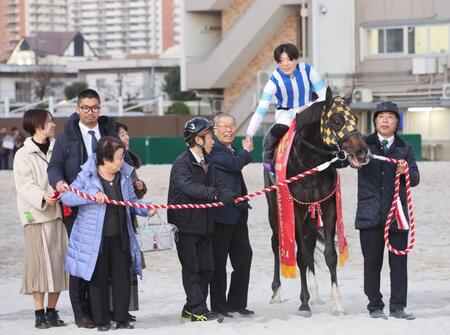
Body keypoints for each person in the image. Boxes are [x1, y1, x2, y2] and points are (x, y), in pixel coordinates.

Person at [48, 89, 128, 328]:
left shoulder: (108, 132)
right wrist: (59, 182)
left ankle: (107, 312)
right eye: (85, 107)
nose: (90, 112)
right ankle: (82, 312)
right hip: (79, 208)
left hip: (110, 206)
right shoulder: (66, 137)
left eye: (94, 107)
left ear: (99, 109)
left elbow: (124, 160)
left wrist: (135, 182)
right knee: (82, 260)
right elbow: (54, 166)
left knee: (110, 261)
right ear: (77, 109)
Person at [61, 136, 154, 331]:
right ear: (105, 159)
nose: (122, 161)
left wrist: (146, 208)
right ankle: (102, 321)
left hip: (121, 235)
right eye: (119, 158)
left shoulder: (124, 176)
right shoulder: (87, 176)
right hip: (95, 239)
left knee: (122, 278)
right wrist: (91, 198)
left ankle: (121, 318)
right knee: (98, 280)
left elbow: (131, 203)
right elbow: (67, 196)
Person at [167, 116, 242, 323]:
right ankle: (198, 310)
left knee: (207, 268)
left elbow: (219, 184)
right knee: (192, 268)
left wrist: (233, 197)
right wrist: (216, 194)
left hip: (205, 225)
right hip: (186, 225)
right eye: (209, 137)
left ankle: (190, 308)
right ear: (198, 139)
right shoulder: (181, 164)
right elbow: (190, 187)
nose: (212, 141)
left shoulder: (208, 162)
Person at [356, 101, 420, 320]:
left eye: (390, 116)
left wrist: (406, 171)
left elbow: (416, 179)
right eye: (381, 116)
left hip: (397, 216)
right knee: (372, 262)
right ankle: (375, 305)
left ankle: (398, 307)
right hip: (369, 214)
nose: (385, 120)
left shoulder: (405, 148)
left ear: (397, 122)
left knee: (399, 264)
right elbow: (344, 162)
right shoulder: (363, 144)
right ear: (374, 121)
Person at [13, 109, 68, 329]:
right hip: (36, 216)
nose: (53, 124)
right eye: (49, 121)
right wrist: (43, 196)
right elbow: (24, 186)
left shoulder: (58, 148)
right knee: (38, 267)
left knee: (59, 264)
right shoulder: (23, 154)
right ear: (38, 125)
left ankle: (53, 312)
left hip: (59, 215)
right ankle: (39, 313)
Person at [245, 43, 326, 174]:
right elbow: (261, 110)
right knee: (281, 127)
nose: (286, 64)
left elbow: (324, 96)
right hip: (286, 112)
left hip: (309, 109)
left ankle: (337, 156)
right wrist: (250, 133)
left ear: (297, 60)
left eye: (290, 59)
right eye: (281, 61)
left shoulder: (309, 71)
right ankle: (268, 158)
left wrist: (309, 106)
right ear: (277, 63)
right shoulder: (273, 81)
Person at [207, 113, 254, 317]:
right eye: (224, 126)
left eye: (232, 125)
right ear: (215, 130)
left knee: (244, 258)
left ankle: (237, 303)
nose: (229, 130)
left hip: (238, 213)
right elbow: (234, 164)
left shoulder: (231, 148)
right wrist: (246, 151)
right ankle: (219, 306)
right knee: (219, 263)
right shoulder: (213, 148)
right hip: (220, 214)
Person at [116, 121, 147, 320]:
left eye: (126, 134)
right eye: (121, 135)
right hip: (115, 221)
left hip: (130, 219)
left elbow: (138, 195)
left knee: (129, 265)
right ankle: (117, 309)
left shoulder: (128, 159)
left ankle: (126, 309)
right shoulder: (109, 161)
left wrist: (141, 187)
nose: (126, 138)